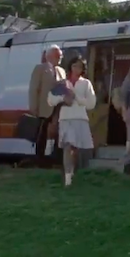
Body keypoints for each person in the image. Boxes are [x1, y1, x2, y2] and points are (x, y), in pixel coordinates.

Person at [47, 56, 96, 186]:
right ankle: (68, 178)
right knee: (68, 146)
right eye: (74, 66)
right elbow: (50, 100)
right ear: (70, 67)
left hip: (80, 118)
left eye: (79, 67)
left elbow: (91, 103)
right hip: (66, 118)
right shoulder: (62, 83)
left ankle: (74, 172)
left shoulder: (86, 83)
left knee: (77, 148)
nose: (77, 69)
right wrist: (63, 99)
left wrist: (77, 98)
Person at [29, 45, 66, 166]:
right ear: (50, 56)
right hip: (44, 107)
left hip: (58, 108)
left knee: (58, 133)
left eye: (60, 55)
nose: (60, 57)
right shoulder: (40, 68)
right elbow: (34, 88)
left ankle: (56, 158)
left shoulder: (61, 71)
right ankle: (39, 159)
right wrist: (33, 106)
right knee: (42, 133)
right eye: (58, 55)